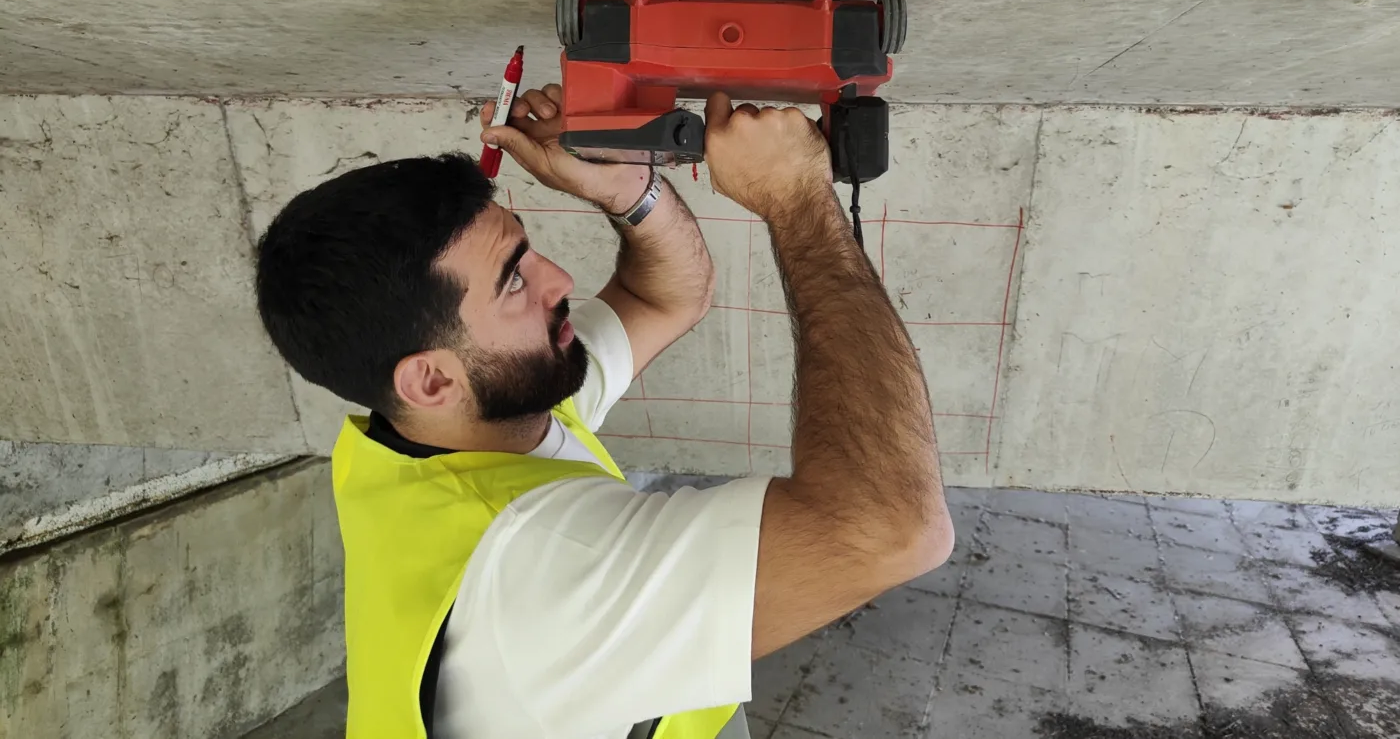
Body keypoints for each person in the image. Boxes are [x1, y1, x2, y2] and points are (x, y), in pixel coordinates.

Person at [254, 83, 954, 739]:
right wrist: (797, 201)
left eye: (525, 250)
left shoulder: (459, 421)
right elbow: (893, 527)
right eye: (511, 283)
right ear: (430, 382)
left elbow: (662, 298)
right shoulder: (538, 569)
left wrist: (627, 191)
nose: (557, 281)